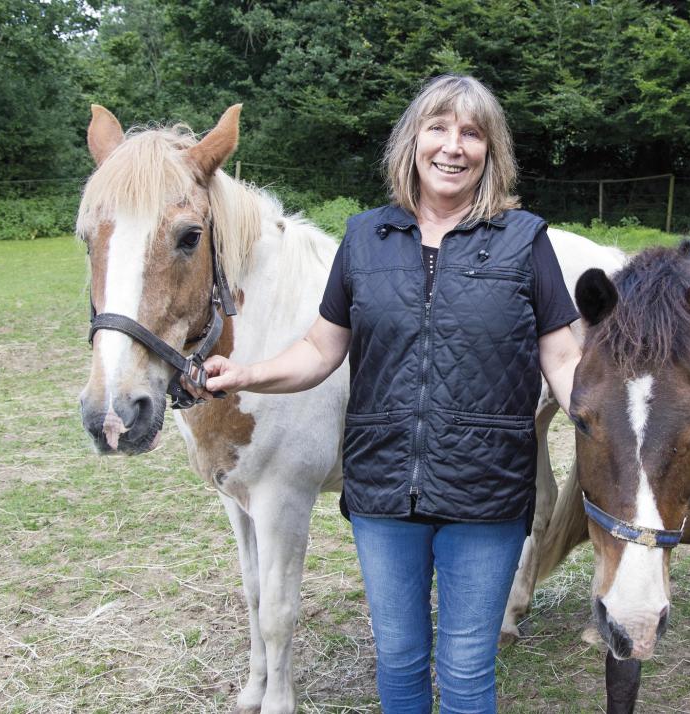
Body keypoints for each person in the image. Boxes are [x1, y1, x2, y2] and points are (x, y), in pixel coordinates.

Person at [193, 75, 581, 713]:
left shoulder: (524, 242)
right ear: (412, 141)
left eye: (471, 133)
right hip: (384, 497)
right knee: (398, 664)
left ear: (491, 150)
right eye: (438, 128)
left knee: (464, 672)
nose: (453, 147)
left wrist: (606, 420)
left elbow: (563, 358)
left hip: (486, 494)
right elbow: (321, 350)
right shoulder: (365, 239)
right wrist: (245, 374)